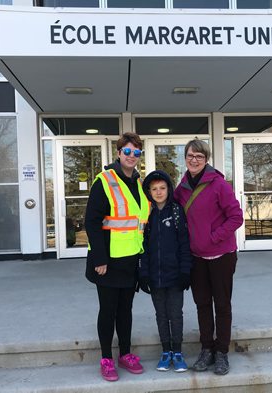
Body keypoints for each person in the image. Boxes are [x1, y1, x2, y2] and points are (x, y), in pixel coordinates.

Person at [174, 139, 243, 376]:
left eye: (199, 157)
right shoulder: (181, 188)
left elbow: (236, 217)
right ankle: (207, 349)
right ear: (185, 158)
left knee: (222, 305)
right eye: (191, 156)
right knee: (202, 304)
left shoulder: (218, 184)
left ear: (206, 160)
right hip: (196, 257)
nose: (194, 160)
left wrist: (214, 237)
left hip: (222, 255)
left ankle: (221, 352)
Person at [84, 132, 150, 382]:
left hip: (130, 259)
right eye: (127, 151)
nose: (131, 156)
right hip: (108, 262)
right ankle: (105, 358)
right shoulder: (105, 180)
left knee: (126, 311)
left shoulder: (138, 183)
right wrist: (100, 259)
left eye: (136, 153)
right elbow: (91, 221)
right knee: (108, 310)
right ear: (119, 153)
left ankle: (125, 353)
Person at [138, 170, 192, 373]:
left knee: (175, 314)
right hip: (155, 276)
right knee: (161, 314)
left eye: (162, 188)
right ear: (149, 192)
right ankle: (166, 351)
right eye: (154, 189)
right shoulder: (147, 215)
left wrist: (185, 271)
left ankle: (177, 352)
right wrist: (143, 274)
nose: (159, 192)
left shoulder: (177, 212)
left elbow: (184, 245)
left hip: (175, 275)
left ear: (169, 189)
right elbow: (142, 247)